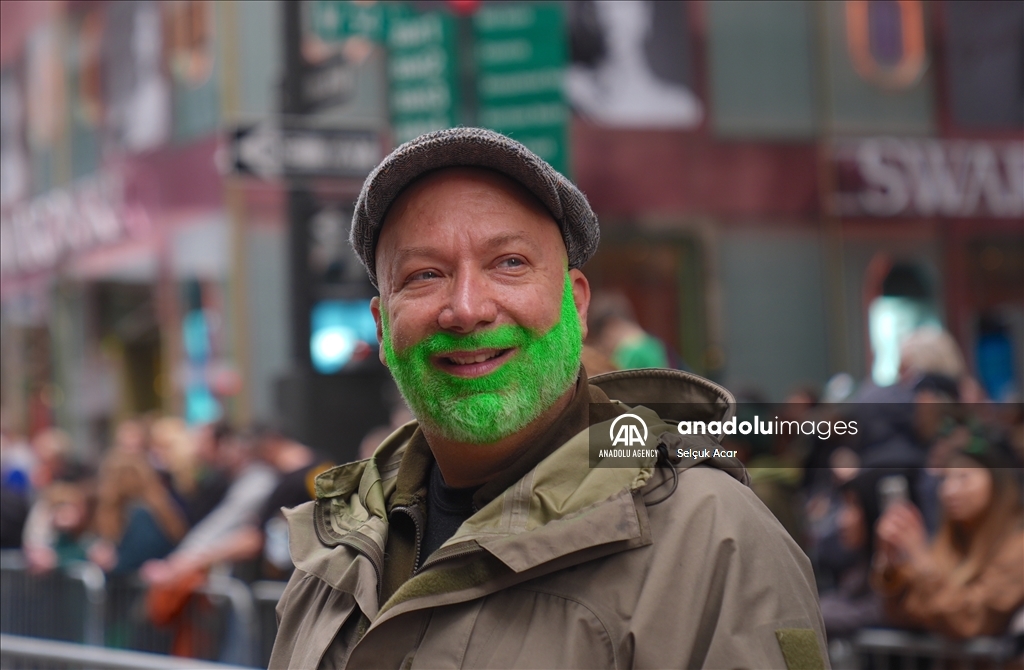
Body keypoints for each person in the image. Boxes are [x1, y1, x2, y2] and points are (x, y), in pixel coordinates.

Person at [270, 127, 828, 669]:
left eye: (509, 263)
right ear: (383, 330)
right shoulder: (335, 549)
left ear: (576, 305)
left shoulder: (711, 538)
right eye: (424, 274)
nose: (466, 308)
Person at [873, 430, 1024, 638]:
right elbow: (906, 615)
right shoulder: (949, 543)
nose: (949, 490)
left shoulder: (1018, 548)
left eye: (964, 477)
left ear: (998, 483)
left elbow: (971, 621)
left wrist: (920, 559)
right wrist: (891, 560)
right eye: (946, 479)